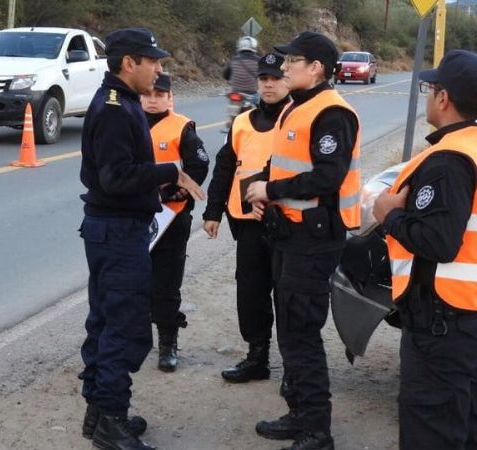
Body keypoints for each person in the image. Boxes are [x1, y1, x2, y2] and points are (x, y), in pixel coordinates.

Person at [372, 49, 477, 450]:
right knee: (471, 429)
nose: (427, 96)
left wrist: (389, 215)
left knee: (433, 434)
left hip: (445, 325)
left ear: (443, 99)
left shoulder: (449, 161)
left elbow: (438, 242)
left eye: (430, 88)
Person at [77, 27, 205, 450]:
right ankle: (111, 420)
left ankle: (100, 413)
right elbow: (116, 178)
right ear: (128, 63)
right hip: (117, 231)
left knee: (105, 320)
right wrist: (171, 172)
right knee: (125, 324)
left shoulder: (123, 101)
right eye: (152, 61)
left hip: (113, 229)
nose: (159, 69)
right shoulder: (116, 109)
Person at [245, 32, 361, 450]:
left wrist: (270, 191)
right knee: (290, 328)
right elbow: (284, 165)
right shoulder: (297, 107)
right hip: (289, 231)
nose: (284, 67)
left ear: (316, 68)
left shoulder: (333, 113)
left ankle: (317, 430)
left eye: (292, 60)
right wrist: (262, 187)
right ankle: (299, 412)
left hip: (314, 236)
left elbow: (328, 176)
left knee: (301, 330)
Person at [203, 53, 290, 383]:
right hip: (247, 222)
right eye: (263, 78)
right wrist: (213, 212)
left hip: (285, 222)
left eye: (275, 78)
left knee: (286, 295)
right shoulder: (242, 122)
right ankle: (257, 357)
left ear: (287, 80)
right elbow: (225, 168)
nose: (268, 84)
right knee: (251, 292)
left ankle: (293, 367)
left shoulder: (296, 121)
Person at [141, 72, 210, 372]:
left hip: (171, 215)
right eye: (149, 94)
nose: (153, 100)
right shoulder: (129, 123)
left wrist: (173, 190)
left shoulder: (182, 128)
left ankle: (168, 343)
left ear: (171, 98)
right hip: (135, 214)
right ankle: (135, 341)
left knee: (166, 284)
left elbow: (199, 165)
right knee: (132, 282)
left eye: (160, 95)